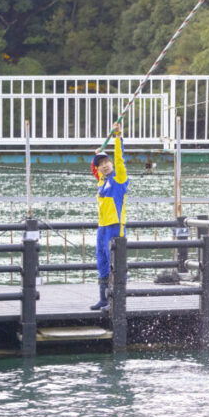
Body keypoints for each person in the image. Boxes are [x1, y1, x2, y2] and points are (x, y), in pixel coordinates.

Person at [89, 122, 128, 311]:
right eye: (100, 164)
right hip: (102, 226)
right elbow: (93, 169)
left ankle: (117, 300)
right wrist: (96, 155)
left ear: (111, 164)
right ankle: (103, 299)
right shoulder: (101, 182)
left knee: (115, 262)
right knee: (102, 260)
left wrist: (118, 137)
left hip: (115, 225)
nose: (103, 166)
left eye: (106, 162)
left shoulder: (119, 179)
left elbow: (120, 160)